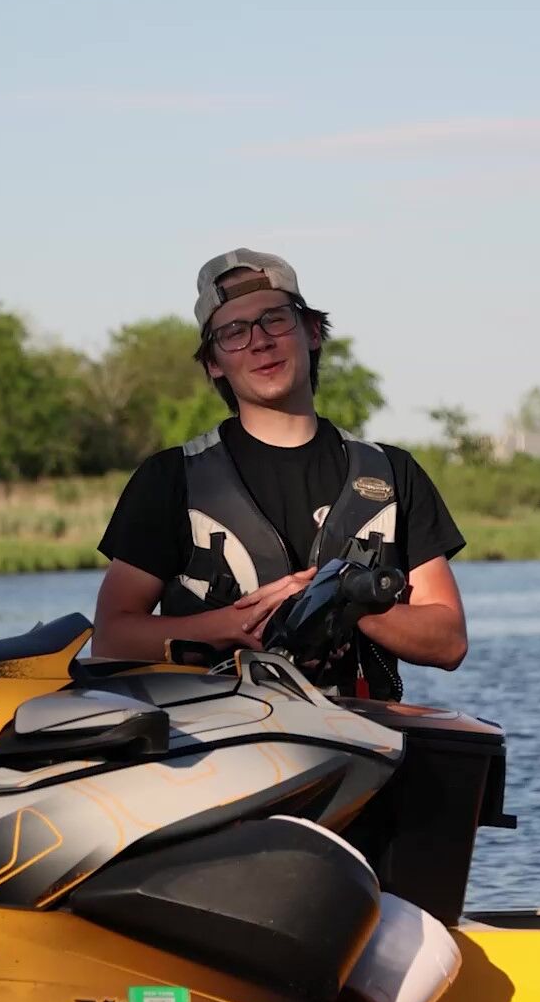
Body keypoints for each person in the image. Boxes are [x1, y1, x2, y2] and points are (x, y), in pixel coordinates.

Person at [92, 249, 467, 698]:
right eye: (233, 332)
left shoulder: (392, 472)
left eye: (275, 319)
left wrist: (339, 601)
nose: (259, 341)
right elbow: (111, 640)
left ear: (311, 331)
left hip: (359, 743)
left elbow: (449, 641)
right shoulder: (169, 479)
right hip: (215, 744)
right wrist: (232, 625)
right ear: (213, 362)